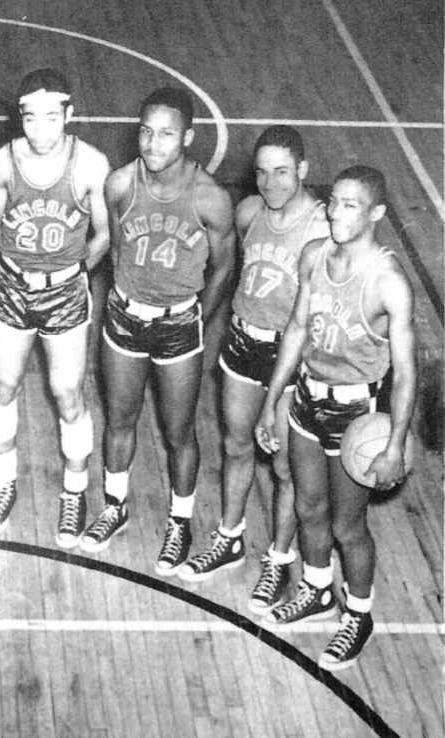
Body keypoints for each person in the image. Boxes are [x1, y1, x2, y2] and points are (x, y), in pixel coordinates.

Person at [257, 165, 415, 671]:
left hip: (356, 412)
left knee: (348, 525)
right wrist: (271, 398)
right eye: (333, 203)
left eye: (350, 205)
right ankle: (318, 588)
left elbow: (408, 374)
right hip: (306, 399)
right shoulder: (314, 256)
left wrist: (394, 444)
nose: (336, 212)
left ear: (376, 215)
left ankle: (360, 615)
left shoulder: (389, 282)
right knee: (308, 507)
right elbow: (298, 329)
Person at [81, 87, 236, 576]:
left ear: (187, 137)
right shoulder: (121, 185)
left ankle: (180, 521)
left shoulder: (210, 198)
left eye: (165, 133)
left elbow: (224, 268)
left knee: (178, 432)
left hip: (179, 326)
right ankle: (115, 506)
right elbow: (115, 249)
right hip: (125, 319)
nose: (152, 142)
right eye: (145, 131)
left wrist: (194, 317)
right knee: (120, 420)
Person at [177, 127, 329, 611]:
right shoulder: (247, 213)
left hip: (292, 359)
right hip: (243, 342)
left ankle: (280, 560)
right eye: (261, 172)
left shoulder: (322, 230)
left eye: (282, 171)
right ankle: (230, 536)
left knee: (285, 465)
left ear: (303, 170)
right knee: (235, 444)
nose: (270, 182)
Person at [0, 69, 111, 541]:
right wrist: (19, 271)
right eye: (30, 118)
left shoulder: (91, 165)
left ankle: (73, 494)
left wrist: (71, 275)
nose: (40, 130)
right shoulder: (1, 161)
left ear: (69, 116)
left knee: (68, 394)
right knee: (2, 383)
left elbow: (105, 236)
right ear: (20, 119)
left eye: (51, 118)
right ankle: (3, 483)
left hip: (66, 292)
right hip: (11, 288)